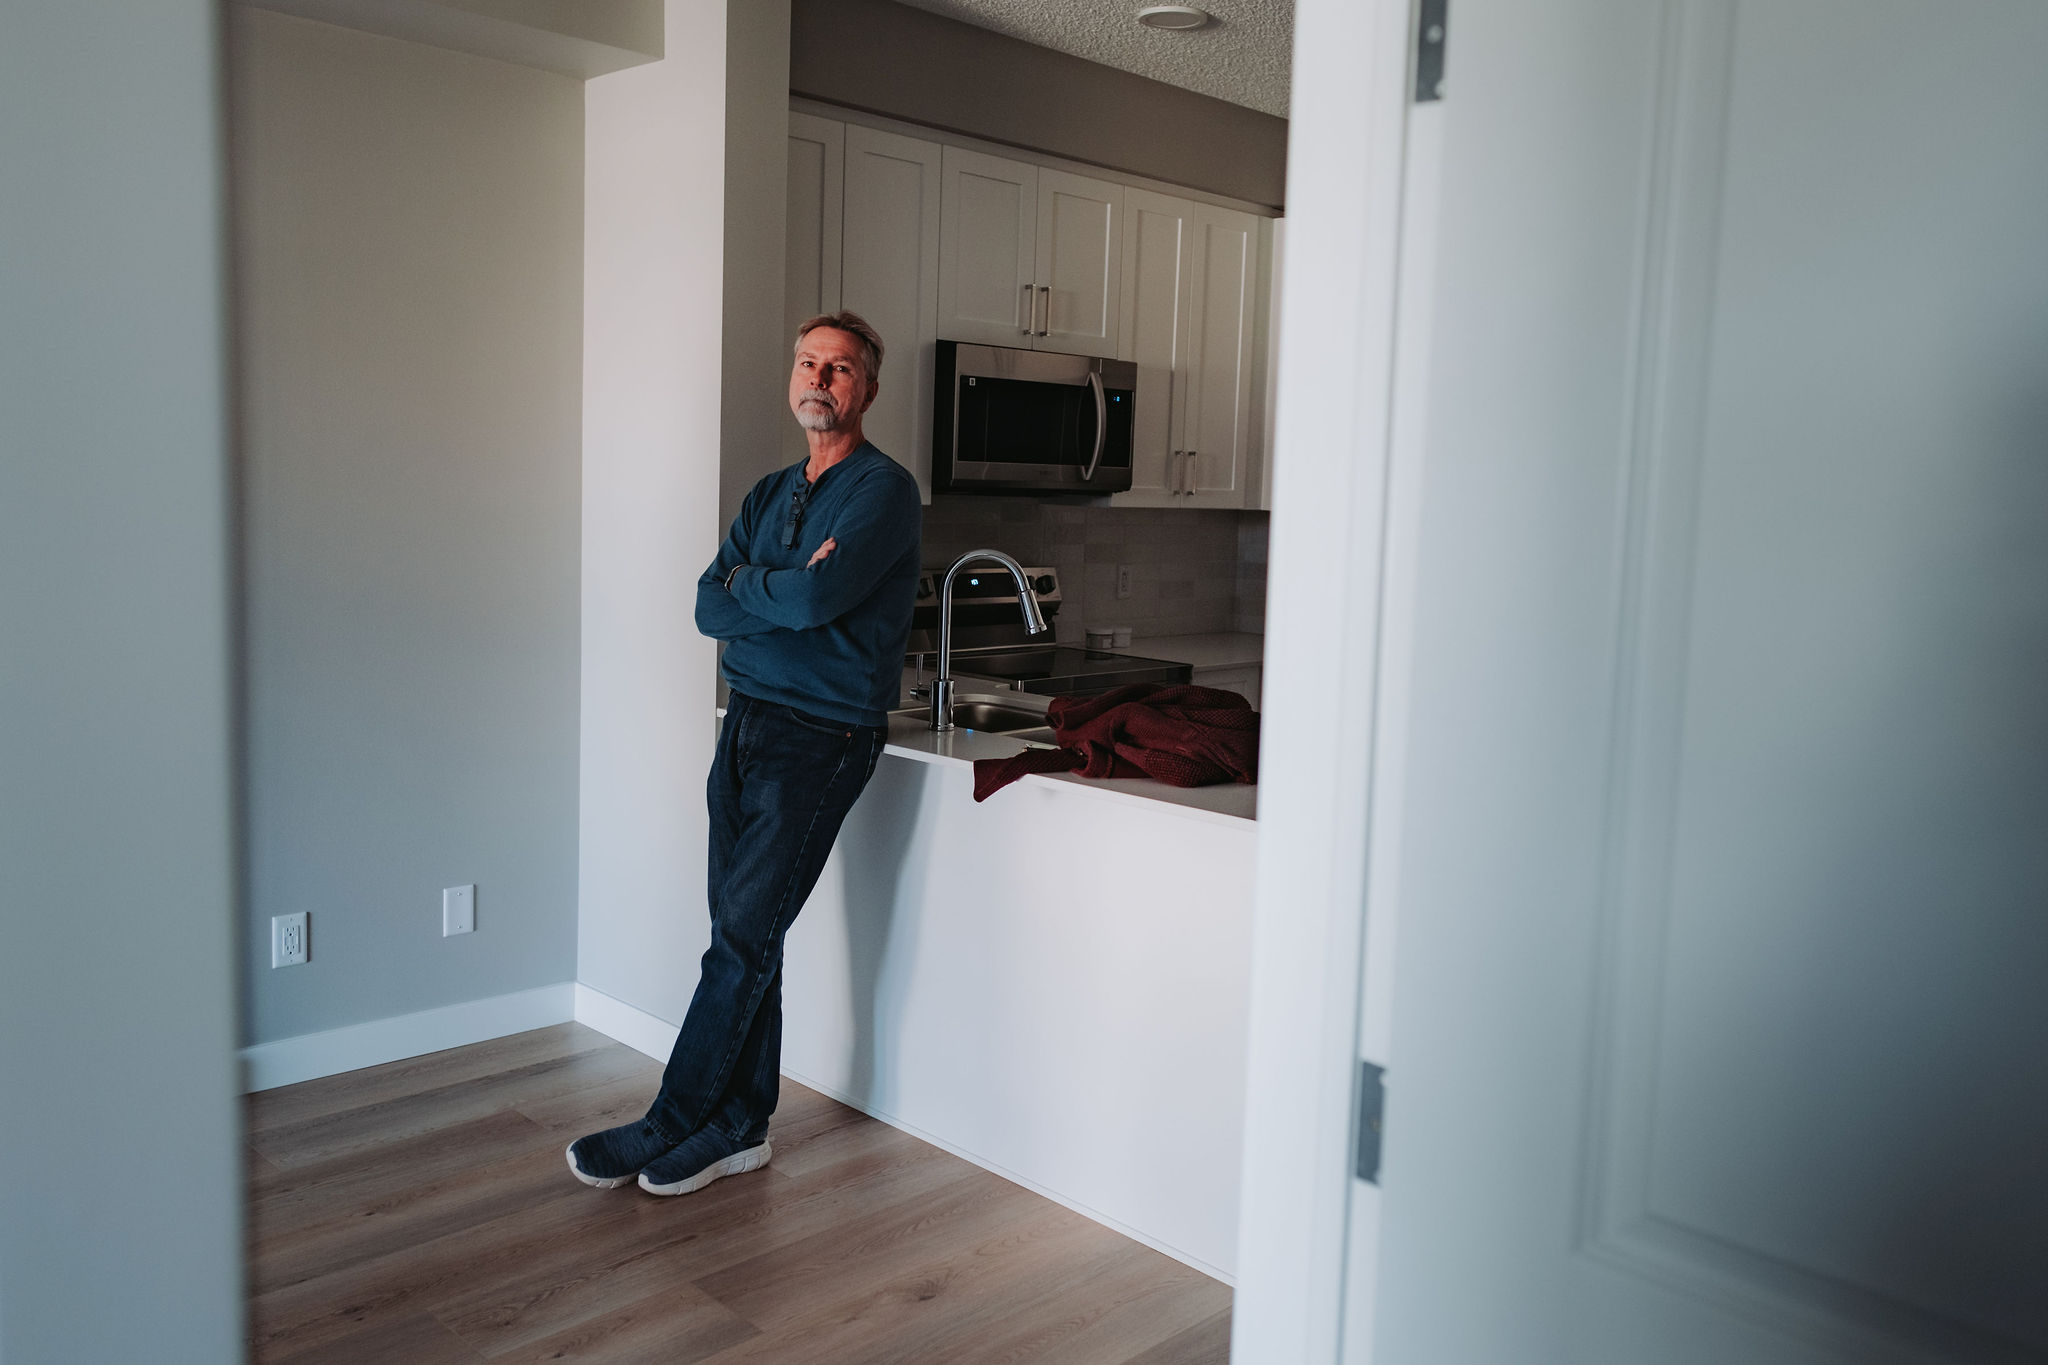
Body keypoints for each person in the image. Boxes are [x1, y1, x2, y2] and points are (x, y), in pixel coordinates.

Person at [567, 311, 920, 1196]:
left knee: (739, 937)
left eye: (839, 368)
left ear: (867, 388)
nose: (820, 379)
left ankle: (672, 1118)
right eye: (808, 362)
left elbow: (813, 603)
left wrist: (762, 591)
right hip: (747, 721)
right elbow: (705, 606)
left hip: (825, 735)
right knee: (747, 935)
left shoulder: (884, 491)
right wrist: (783, 589)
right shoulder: (770, 493)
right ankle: (740, 1125)